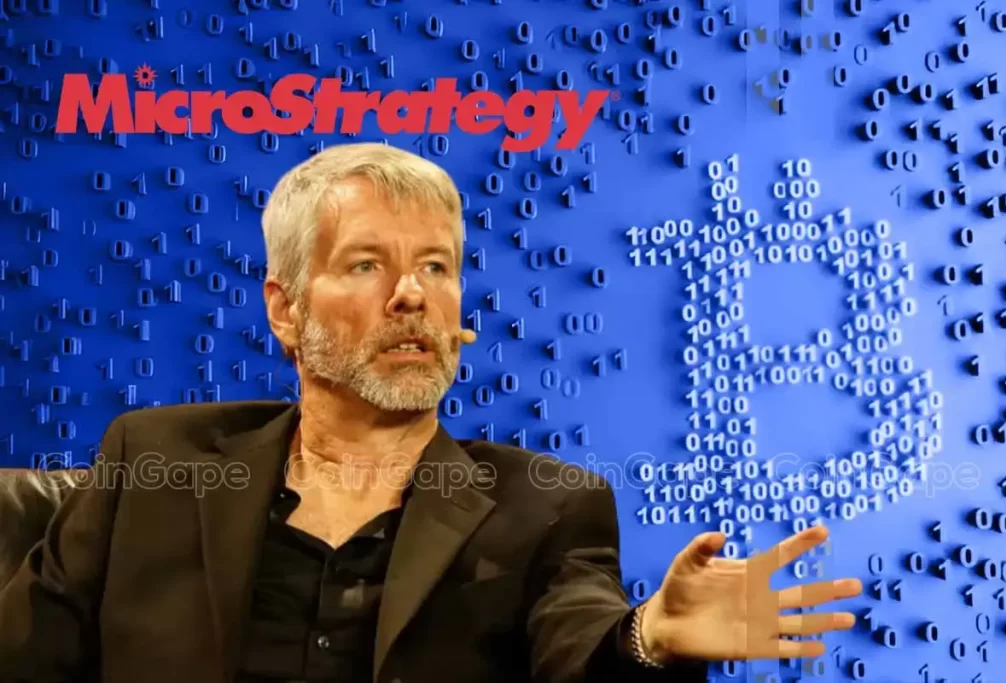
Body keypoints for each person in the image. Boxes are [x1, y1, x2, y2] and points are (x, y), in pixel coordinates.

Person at [0, 143, 862, 683]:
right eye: (366, 265)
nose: (411, 294)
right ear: (285, 310)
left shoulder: (545, 503)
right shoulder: (153, 461)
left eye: (437, 267)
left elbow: (578, 643)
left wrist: (648, 638)